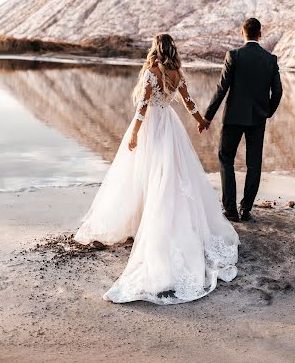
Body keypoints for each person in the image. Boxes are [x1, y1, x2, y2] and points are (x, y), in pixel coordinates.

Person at [74, 34, 239, 305]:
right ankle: (147, 220)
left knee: (147, 173)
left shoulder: (152, 72)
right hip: (170, 126)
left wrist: (135, 133)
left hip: (153, 126)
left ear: (155, 49)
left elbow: (142, 107)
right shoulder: (176, 73)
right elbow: (189, 103)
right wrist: (201, 121)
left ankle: (147, 223)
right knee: (168, 174)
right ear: (172, 50)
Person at [201, 18, 283, 222]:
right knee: (254, 164)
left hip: (233, 117)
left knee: (226, 158)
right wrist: (267, 111)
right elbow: (278, 91)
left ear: (242, 32)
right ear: (260, 34)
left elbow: (222, 88)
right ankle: (246, 209)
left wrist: (208, 116)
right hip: (258, 118)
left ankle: (230, 210)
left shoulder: (234, 56)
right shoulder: (270, 59)